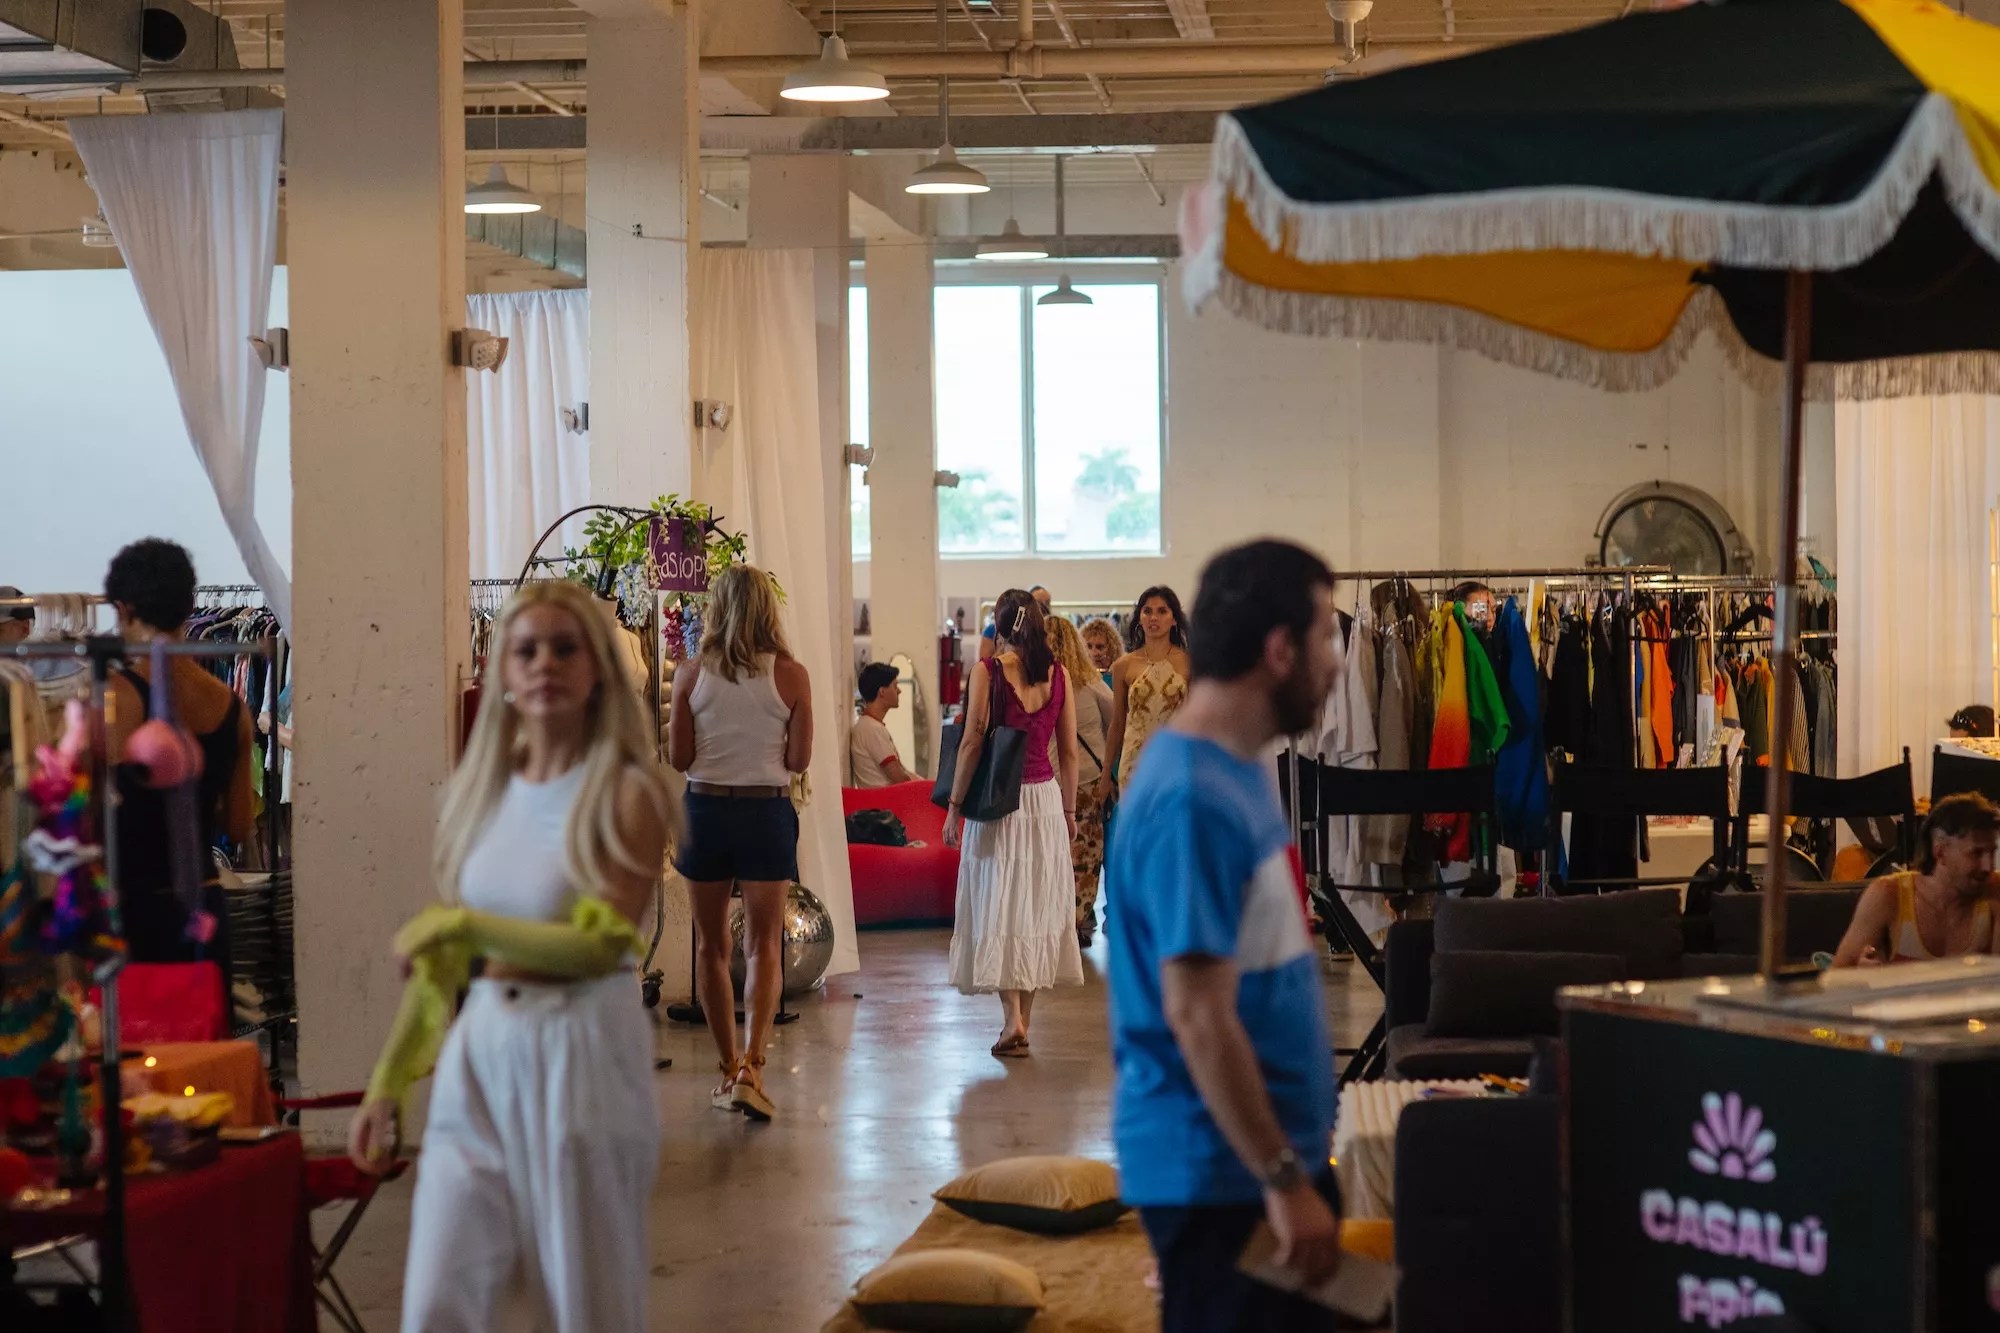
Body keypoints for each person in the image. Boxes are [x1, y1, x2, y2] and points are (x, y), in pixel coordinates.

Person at [347, 579, 673, 1333]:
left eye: (566, 647)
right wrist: (388, 1082)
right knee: (437, 1300)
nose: (545, 664)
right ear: (501, 672)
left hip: (584, 1049)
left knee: (584, 1305)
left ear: (598, 668)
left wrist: (467, 929)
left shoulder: (631, 793)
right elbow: (441, 969)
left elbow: (603, 944)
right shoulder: (478, 795)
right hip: (483, 1046)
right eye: (526, 649)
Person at [1106, 539, 1344, 1332]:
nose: (1337, 663)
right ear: (1279, 651)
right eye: (1325, 640)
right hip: (1224, 1175)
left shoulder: (1236, 767)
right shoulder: (1190, 796)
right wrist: (1282, 1179)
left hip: (1256, 1165)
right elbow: (1199, 1014)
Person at [668, 564, 812, 1122]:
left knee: (711, 947)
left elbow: (679, 759)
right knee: (763, 945)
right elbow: (799, 761)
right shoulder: (792, 676)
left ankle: (727, 1070)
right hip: (765, 812)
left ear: (718, 608)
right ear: (766, 610)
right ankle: (755, 1064)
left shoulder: (690, 674)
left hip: (704, 810)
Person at [102, 541, 255, 990]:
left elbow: (94, 813)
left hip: (135, 912)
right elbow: (240, 824)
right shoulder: (232, 707)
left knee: (137, 1050)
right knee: (202, 1047)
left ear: (123, 609)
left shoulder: (117, 697)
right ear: (190, 605)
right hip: (203, 910)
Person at [944, 588, 1084, 1055]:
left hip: (998, 803)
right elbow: (1067, 752)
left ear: (999, 627)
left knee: (997, 903)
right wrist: (1069, 810)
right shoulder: (1058, 675)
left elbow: (972, 741)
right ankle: (1023, 1022)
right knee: (1035, 905)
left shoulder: (987, 673)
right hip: (1044, 801)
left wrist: (954, 806)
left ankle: (1012, 1021)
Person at [1832, 792, 2000, 966]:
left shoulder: (1995, 890)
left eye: (1992, 852)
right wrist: (1864, 978)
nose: (1988, 866)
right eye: (1977, 853)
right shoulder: (1888, 895)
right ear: (1940, 852)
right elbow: (1836, 977)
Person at [1048, 615, 1115, 947]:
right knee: (1085, 857)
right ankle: (1074, 919)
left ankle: (1060, 920)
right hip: (1088, 780)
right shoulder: (1090, 681)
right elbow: (1116, 720)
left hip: (1048, 782)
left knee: (1052, 854)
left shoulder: (1038, 683)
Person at [1105, 585, 1192, 801]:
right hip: (1135, 763)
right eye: (1148, 611)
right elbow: (1117, 722)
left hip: (1176, 760)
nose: (1154, 617)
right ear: (1140, 617)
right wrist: (1106, 773)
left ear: (1174, 619)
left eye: (1162, 611)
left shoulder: (1189, 663)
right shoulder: (1123, 666)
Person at [851, 662, 914, 787]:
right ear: (882, 692)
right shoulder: (871, 729)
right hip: (884, 804)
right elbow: (898, 777)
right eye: (895, 686)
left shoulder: (871, 726)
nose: (899, 691)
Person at [982, 584, 1052, 661]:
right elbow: (985, 659)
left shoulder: (1048, 629)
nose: (1043, 606)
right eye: (1038, 602)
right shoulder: (994, 629)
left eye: (1047, 602)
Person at [1081, 617, 1121, 688]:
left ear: (1112, 649)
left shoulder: (1120, 676)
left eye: (1100, 647)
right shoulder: (1079, 678)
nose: (1093, 653)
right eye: (1089, 646)